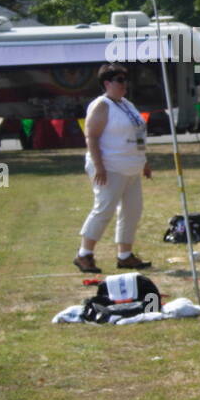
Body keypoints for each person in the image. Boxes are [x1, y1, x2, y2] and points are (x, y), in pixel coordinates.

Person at [74, 64, 153, 273]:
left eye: (125, 80)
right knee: (104, 209)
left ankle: (125, 255)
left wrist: (143, 161)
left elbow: (138, 134)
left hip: (131, 167)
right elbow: (91, 136)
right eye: (119, 80)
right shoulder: (101, 105)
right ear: (107, 83)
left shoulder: (127, 104)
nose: (124, 84)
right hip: (110, 166)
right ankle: (84, 254)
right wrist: (99, 166)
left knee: (132, 210)